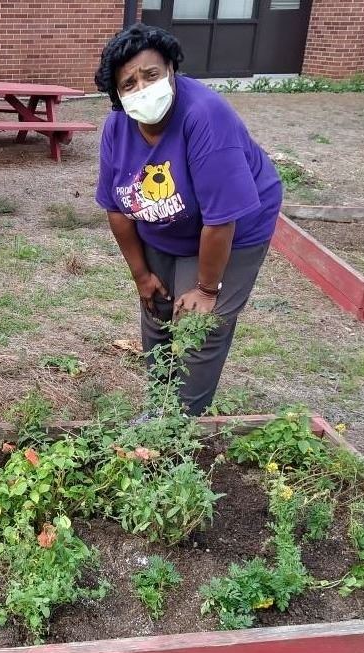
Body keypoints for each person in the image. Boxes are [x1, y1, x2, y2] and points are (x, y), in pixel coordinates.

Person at [94, 24, 282, 415]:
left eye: (151, 74)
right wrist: (141, 275)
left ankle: (180, 426)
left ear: (171, 70)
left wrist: (207, 288)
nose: (142, 88)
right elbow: (116, 207)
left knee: (199, 326)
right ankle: (157, 409)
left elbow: (221, 219)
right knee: (158, 307)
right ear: (117, 95)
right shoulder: (117, 128)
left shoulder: (205, 117)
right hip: (166, 219)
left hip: (232, 226)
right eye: (129, 83)